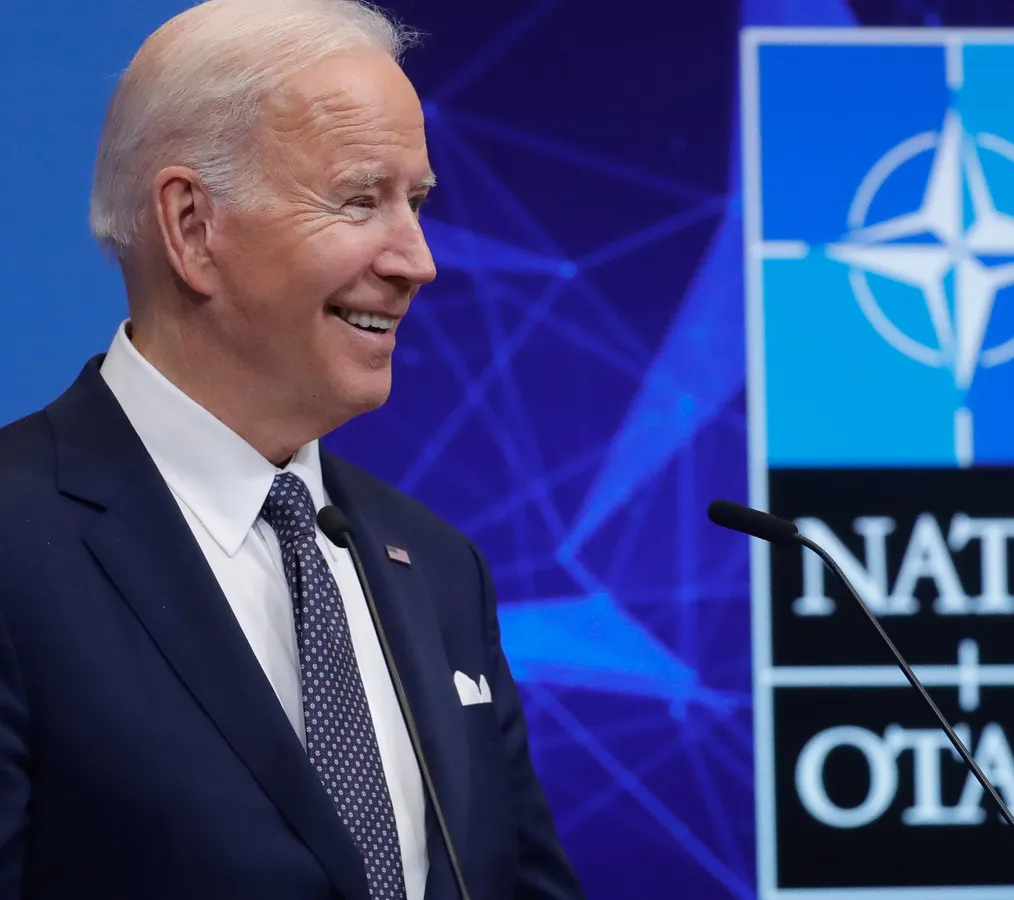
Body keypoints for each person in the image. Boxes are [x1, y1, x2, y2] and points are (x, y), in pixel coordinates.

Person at [0, 1, 586, 898]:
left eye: (416, 203)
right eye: (360, 200)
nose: (417, 261)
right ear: (192, 227)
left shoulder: (437, 569)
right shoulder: (16, 541)